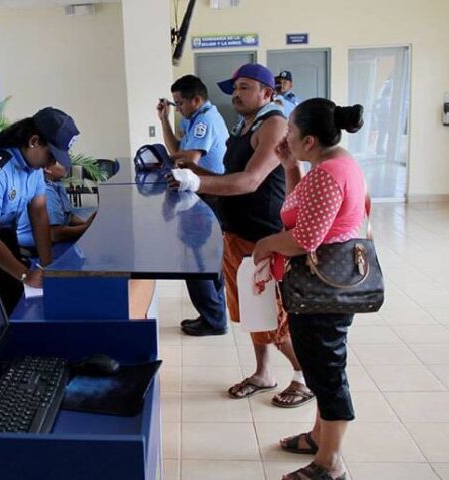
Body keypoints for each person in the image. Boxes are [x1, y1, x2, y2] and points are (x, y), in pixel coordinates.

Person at [167, 63, 313, 409]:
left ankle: (305, 376)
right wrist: (193, 171)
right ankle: (263, 373)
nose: (236, 93)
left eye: (245, 87)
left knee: (271, 316)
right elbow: (231, 174)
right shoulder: (245, 124)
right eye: (234, 88)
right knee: (250, 312)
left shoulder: (274, 124)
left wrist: (197, 182)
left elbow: (251, 181)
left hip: (263, 237)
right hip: (238, 231)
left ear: (267, 93)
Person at [252, 99, 366, 480]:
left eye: (291, 134)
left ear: (311, 140)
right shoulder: (336, 163)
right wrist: (289, 165)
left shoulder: (327, 174)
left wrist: (267, 244)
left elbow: (305, 238)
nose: (285, 138)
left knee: (328, 374)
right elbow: (300, 208)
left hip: (321, 293)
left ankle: (329, 463)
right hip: (325, 287)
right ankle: (320, 438)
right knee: (321, 367)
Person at [0, 107, 80, 314]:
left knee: (16, 300)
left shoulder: (34, 168)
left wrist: (47, 267)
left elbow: (39, 214)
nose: (52, 163)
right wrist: (26, 275)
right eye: (51, 156)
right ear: (34, 142)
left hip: (2, 233)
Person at [156, 74, 230, 336]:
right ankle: (214, 314)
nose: (179, 108)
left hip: (207, 195)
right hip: (201, 193)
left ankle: (214, 319)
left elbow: (188, 157)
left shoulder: (205, 121)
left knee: (195, 260)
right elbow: (177, 150)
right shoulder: (196, 119)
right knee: (204, 258)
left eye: (180, 103)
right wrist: (164, 121)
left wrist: (163, 159)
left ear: (196, 100)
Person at [16, 158, 96, 252]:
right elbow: (55, 234)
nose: (67, 164)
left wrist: (89, 224)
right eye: (61, 162)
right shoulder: (46, 191)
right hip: (37, 247)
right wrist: (85, 228)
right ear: (47, 168)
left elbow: (68, 216)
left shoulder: (56, 184)